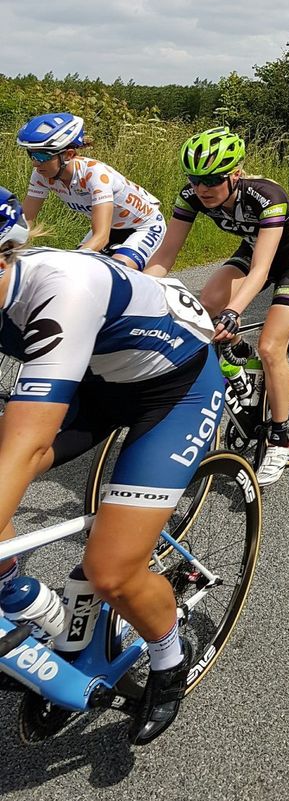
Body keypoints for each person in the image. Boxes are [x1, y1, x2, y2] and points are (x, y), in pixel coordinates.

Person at [0, 187, 221, 744]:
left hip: (175, 392)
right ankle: (36, 609)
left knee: (110, 572)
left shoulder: (62, 288)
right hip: (97, 382)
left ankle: (169, 658)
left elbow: (27, 448)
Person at [146, 127, 289, 486]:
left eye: (212, 179)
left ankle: (279, 439)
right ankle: (238, 354)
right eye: (195, 179)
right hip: (253, 250)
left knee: (271, 346)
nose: (202, 188)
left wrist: (234, 311)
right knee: (204, 305)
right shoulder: (192, 196)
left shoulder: (266, 196)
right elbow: (165, 255)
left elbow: (261, 271)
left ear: (236, 174)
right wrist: (137, 291)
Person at [17, 112, 165, 271]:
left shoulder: (95, 174)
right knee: (80, 274)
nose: (35, 163)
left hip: (144, 226)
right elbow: (25, 223)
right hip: (112, 227)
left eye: (41, 156)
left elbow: (101, 237)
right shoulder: (41, 175)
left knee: (113, 272)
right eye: (31, 154)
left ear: (68, 155)